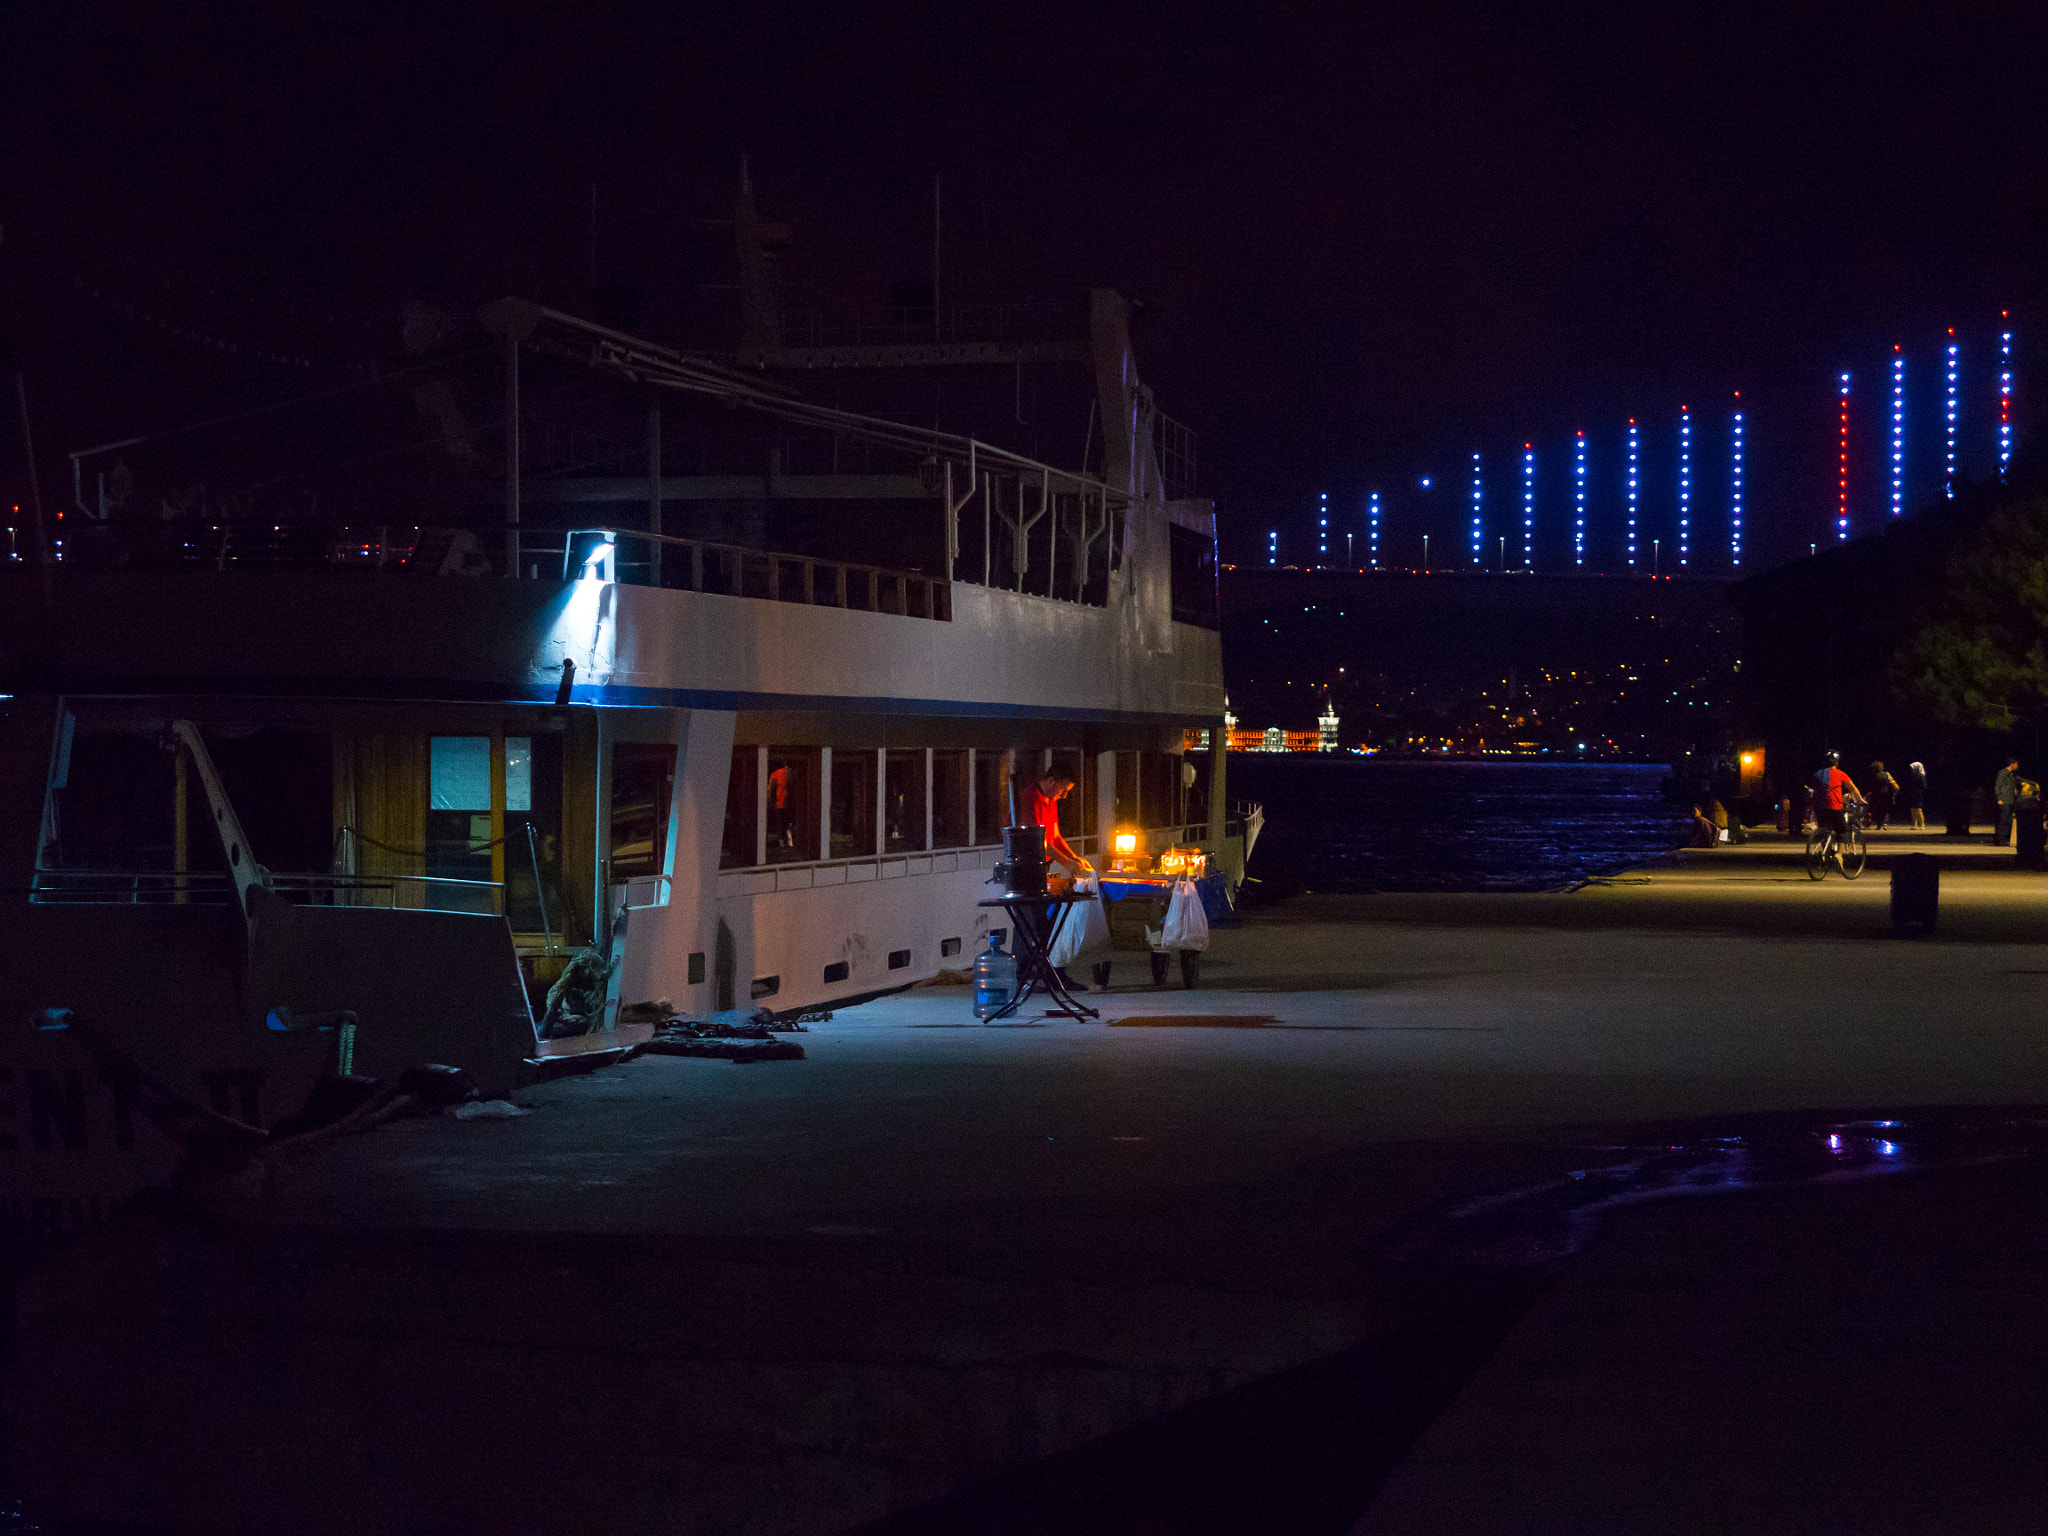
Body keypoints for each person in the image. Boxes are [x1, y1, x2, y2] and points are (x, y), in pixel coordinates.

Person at [1015, 770, 1092, 878]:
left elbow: (1056, 837)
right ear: (1051, 780)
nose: (1064, 796)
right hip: (1027, 864)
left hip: (1043, 863)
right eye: (1063, 790)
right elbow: (1036, 840)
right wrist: (1066, 862)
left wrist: (1073, 858)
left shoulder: (1051, 800)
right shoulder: (1030, 797)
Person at [1814, 751, 1865, 846]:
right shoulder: (1840, 774)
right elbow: (1853, 788)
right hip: (1834, 806)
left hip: (1819, 807)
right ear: (1836, 762)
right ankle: (1838, 856)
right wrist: (1860, 800)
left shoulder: (1818, 774)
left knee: (1824, 829)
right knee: (1842, 831)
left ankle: (1824, 851)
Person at [1994, 756, 2021, 846]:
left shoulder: (2011, 774)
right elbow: (1997, 786)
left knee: (2008, 820)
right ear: (2012, 764)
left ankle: (2005, 839)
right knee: (2004, 820)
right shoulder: (2003, 773)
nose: (2017, 766)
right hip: (2004, 800)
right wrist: (1999, 799)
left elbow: (2018, 781)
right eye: (2016, 764)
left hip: (2010, 800)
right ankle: (2001, 840)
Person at [1866, 761, 1898, 830]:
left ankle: (1879, 825)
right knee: (1885, 809)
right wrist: (1894, 792)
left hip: (1876, 794)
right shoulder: (1887, 774)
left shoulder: (1873, 775)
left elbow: (1870, 785)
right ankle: (1885, 824)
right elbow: (1894, 785)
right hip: (1886, 793)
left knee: (1877, 810)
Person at [1900, 761, 1927, 831]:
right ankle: (1914, 825)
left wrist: (1919, 791)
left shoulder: (1921, 776)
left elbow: (1924, 786)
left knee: (1918, 809)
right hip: (1913, 794)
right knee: (1913, 809)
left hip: (1918, 794)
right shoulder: (1912, 776)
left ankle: (1922, 824)